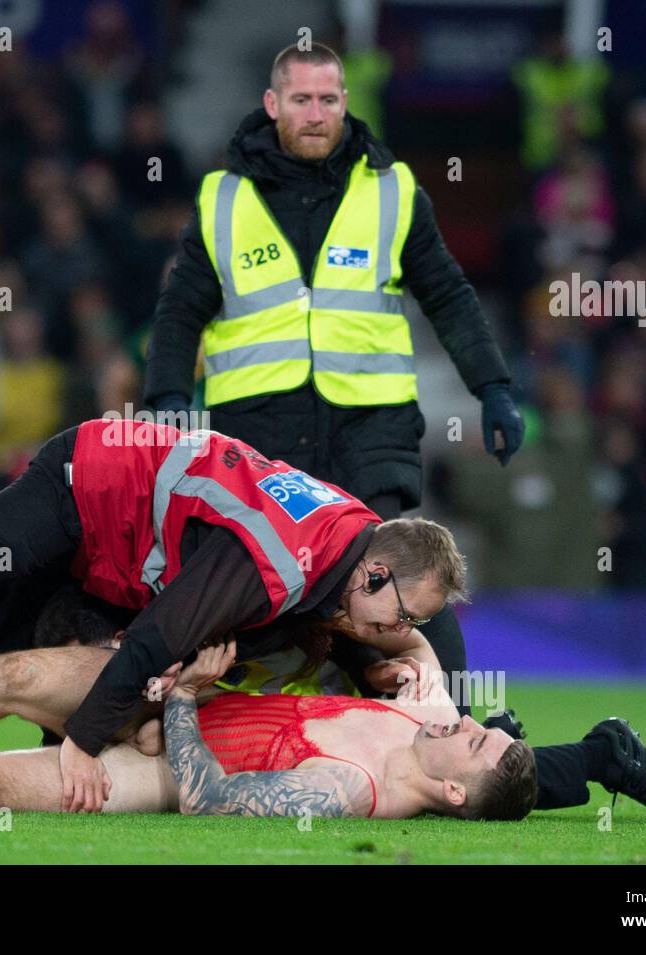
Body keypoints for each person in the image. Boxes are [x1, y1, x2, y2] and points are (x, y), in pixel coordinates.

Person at [0, 417, 466, 812]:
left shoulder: (360, 539)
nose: (402, 629)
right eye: (402, 617)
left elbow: (346, 617)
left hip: (125, 546)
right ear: (372, 572)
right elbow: (161, 635)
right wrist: (83, 745)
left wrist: (399, 664)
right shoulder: (280, 558)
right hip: (87, 487)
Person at [141, 42, 526, 723]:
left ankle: (468, 724)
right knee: (248, 580)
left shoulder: (393, 189)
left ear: (346, 102)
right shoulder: (221, 197)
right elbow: (180, 309)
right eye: (301, 99)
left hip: (368, 426)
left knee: (392, 571)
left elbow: (449, 295)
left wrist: (492, 385)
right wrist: (169, 398)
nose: (315, 114)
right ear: (272, 104)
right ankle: (185, 718)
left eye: (327, 99)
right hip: (256, 435)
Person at [0, 641, 541, 821]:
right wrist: (420, 655)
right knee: (17, 677)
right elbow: (419, 645)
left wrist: (184, 699)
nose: (468, 723)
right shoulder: (428, 714)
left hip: (157, 765)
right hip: (172, 703)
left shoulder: (346, 789)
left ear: (452, 789)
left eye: (474, 741)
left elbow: (205, 799)